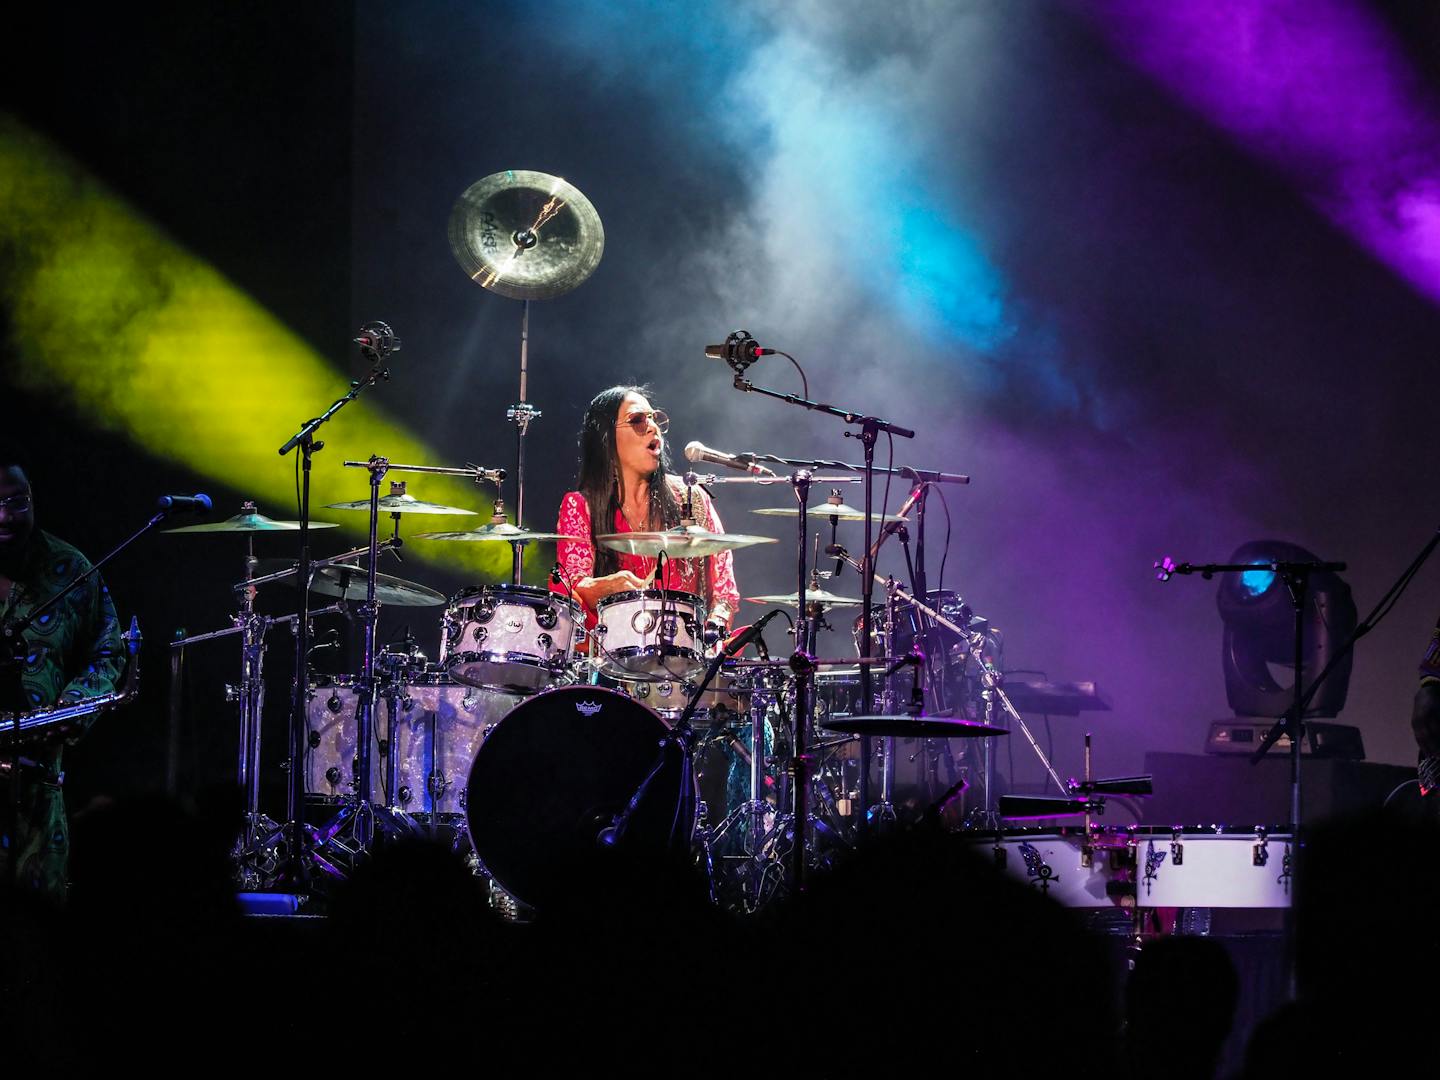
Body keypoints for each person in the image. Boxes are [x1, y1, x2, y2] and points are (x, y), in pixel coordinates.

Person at [0, 446, 125, 898]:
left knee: (37, 941)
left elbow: (108, 652)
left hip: (37, 786)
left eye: (17, 501)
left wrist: (66, 712)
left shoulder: (70, 569)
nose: (6, 517)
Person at [551, 385, 740, 636]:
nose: (652, 427)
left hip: (687, 654)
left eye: (654, 418)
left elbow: (724, 588)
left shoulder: (691, 498)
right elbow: (571, 586)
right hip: (614, 655)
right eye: (638, 420)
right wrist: (604, 586)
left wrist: (715, 626)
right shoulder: (581, 506)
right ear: (606, 438)